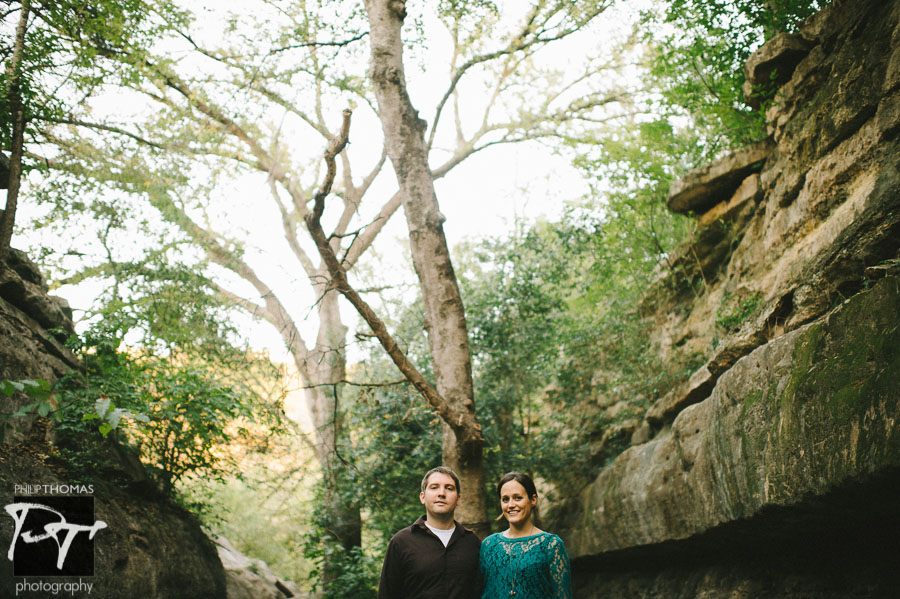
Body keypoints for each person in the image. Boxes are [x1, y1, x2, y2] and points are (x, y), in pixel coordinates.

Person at [378, 466, 482, 599]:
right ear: (422, 497)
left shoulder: (471, 542)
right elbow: (387, 594)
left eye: (449, 488)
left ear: (458, 499)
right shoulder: (401, 542)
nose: (441, 493)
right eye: (434, 487)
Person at [479, 472, 573, 599]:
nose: (511, 505)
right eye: (505, 499)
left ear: (533, 500)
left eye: (518, 498)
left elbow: (563, 595)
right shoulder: (489, 545)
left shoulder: (551, 545)